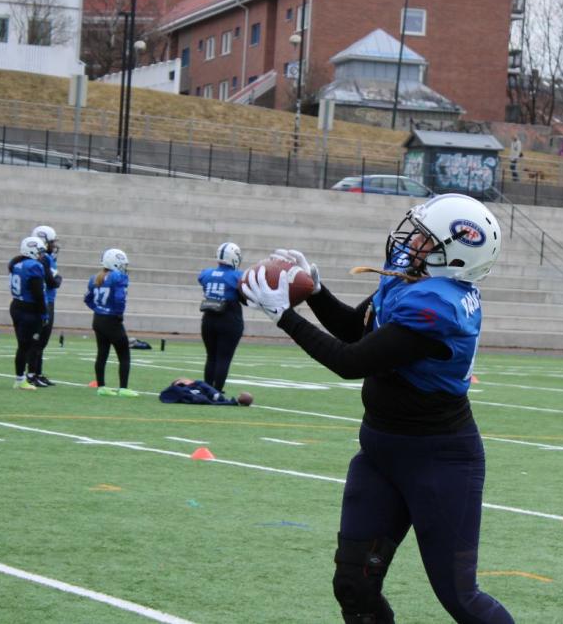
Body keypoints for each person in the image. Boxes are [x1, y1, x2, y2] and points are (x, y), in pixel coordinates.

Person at [241, 193, 513, 624]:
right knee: (354, 585)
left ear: (455, 257)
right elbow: (355, 330)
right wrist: (313, 289)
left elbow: (350, 362)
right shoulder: (414, 284)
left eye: (425, 240)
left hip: (438, 462)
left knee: (460, 596)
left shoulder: (438, 308)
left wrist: (283, 315)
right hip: (380, 455)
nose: (411, 244)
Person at [84, 248, 137, 398]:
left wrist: (99, 309)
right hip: (111, 320)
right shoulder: (118, 277)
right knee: (124, 354)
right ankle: (123, 388)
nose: (124, 267)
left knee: (102, 354)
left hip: (98, 319)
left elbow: (87, 299)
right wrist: (118, 314)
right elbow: (120, 298)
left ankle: (101, 387)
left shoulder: (95, 277)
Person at [197, 242, 245, 392]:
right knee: (224, 358)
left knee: (211, 356)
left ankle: (207, 388)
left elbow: (204, 282)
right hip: (229, 319)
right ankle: (217, 391)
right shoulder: (238, 276)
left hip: (209, 318)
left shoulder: (206, 273)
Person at [8, 236, 49, 391]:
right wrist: (44, 314)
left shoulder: (16, 263)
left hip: (16, 305)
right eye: (39, 251)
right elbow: (38, 293)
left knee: (23, 345)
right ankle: (20, 379)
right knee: (26, 346)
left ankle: (21, 378)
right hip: (29, 310)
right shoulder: (33, 266)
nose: (41, 255)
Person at [30, 225, 62, 386]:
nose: (54, 245)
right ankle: (32, 374)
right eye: (51, 242)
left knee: (42, 341)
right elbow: (53, 281)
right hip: (43, 300)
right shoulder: (42, 259)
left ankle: (37, 373)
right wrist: (58, 280)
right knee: (38, 340)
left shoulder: (46, 258)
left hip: (48, 299)